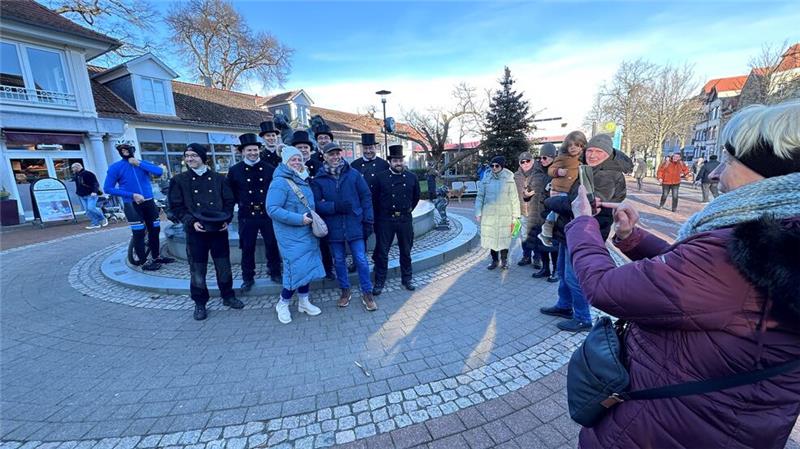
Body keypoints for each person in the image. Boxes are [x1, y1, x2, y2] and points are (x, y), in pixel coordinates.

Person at [565, 101, 800, 449]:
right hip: (728, 421)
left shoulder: (738, 250)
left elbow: (603, 288)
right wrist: (634, 239)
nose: (717, 173)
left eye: (731, 160)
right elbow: (699, 282)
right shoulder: (776, 239)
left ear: (769, 173)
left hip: (667, 426)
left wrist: (582, 222)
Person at [539, 133, 628, 332]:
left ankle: (582, 317)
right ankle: (564, 306)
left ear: (608, 153)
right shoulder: (588, 169)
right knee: (562, 271)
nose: (593, 155)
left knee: (574, 276)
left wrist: (551, 201)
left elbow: (585, 204)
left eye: (599, 152)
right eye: (591, 151)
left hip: (585, 231)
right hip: (570, 228)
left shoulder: (607, 175)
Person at [168, 143, 243, 320]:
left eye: (193, 155)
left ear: (203, 157)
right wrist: (191, 222)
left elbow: (229, 201)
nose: (190, 159)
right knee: (197, 268)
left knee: (223, 265)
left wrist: (226, 219)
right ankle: (200, 302)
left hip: (218, 229)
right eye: (187, 156)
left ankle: (228, 295)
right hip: (195, 231)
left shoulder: (219, 179)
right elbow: (176, 206)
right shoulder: (179, 180)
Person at [311, 142, 377, 311]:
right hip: (333, 227)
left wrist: (368, 220)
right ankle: (345, 291)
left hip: (354, 224)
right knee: (339, 260)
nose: (335, 157)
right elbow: (316, 205)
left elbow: (366, 197)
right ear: (324, 156)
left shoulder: (353, 174)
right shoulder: (318, 179)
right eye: (331, 154)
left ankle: (367, 292)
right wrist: (334, 207)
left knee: (361, 260)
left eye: (337, 154)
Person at [267, 146, 326, 324]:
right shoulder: (280, 182)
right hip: (291, 234)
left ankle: (303, 301)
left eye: (299, 159)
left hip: (305, 232)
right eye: (293, 159)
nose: (297, 162)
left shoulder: (302, 179)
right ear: (285, 161)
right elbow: (272, 209)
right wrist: (299, 219)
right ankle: (282, 303)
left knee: (306, 267)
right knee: (294, 268)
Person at [104, 143, 174, 271]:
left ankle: (156, 256)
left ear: (132, 150)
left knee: (155, 230)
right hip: (132, 204)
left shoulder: (142, 163)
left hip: (149, 202)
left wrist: (139, 163)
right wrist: (132, 195)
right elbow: (108, 188)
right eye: (122, 150)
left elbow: (159, 172)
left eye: (127, 149)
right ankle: (143, 262)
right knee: (139, 233)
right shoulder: (115, 167)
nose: (124, 151)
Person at [226, 133, 282, 290]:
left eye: (255, 150)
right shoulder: (234, 171)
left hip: (267, 214)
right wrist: (233, 211)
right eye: (249, 150)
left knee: (272, 244)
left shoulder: (269, 169)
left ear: (259, 150)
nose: (252, 153)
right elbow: (230, 194)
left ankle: (275, 271)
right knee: (247, 246)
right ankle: (248, 277)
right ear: (243, 152)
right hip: (246, 215)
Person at [370, 145, 421, 295]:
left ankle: (407, 279)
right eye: (395, 160)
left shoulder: (412, 177)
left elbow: (416, 197)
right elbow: (374, 199)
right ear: (390, 161)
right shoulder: (380, 177)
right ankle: (379, 281)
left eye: (400, 160)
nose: (398, 163)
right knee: (382, 252)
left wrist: (408, 209)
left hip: (405, 219)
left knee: (406, 251)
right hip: (385, 220)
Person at [290, 129, 334, 280]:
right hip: (299, 212)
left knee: (324, 242)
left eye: (305, 147)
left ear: (310, 149)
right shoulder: (290, 167)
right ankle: (306, 272)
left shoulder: (319, 165)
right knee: (303, 244)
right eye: (299, 148)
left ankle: (328, 269)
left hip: (318, 210)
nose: (303, 150)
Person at [539, 131, 586, 246]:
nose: (573, 148)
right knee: (557, 210)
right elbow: (551, 169)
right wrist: (558, 171)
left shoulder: (582, 161)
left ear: (582, 146)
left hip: (569, 190)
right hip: (559, 189)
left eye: (577, 145)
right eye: (570, 145)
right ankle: (546, 229)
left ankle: (549, 230)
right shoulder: (563, 158)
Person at [475, 155, 520, 270]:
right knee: (491, 238)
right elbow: (480, 196)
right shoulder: (486, 178)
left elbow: (514, 198)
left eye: (497, 165)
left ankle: (504, 261)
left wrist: (516, 216)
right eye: (492, 165)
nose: (494, 168)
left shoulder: (509, 179)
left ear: (502, 166)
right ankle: (494, 260)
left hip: (505, 214)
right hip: (489, 215)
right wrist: (478, 212)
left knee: (504, 239)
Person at [526, 144, 559, 282]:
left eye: (545, 157)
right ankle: (545, 268)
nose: (542, 160)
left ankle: (556, 271)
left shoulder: (558, 172)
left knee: (552, 244)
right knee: (540, 243)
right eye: (540, 157)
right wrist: (526, 195)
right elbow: (528, 191)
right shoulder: (536, 172)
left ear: (553, 157)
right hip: (536, 213)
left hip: (551, 214)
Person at [513, 151, 540, 268]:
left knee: (537, 235)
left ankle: (537, 258)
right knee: (524, 236)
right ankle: (526, 256)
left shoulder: (539, 173)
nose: (525, 163)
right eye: (522, 162)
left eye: (528, 161)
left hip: (536, 211)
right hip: (522, 210)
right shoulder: (516, 176)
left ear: (532, 161)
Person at [71, 162, 107, 229]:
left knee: (91, 208)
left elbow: (95, 183)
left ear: (78, 166)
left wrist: (94, 191)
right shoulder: (76, 175)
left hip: (91, 194)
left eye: (73, 167)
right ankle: (95, 223)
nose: (72, 169)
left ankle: (103, 218)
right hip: (81, 195)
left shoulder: (88, 174)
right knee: (88, 211)